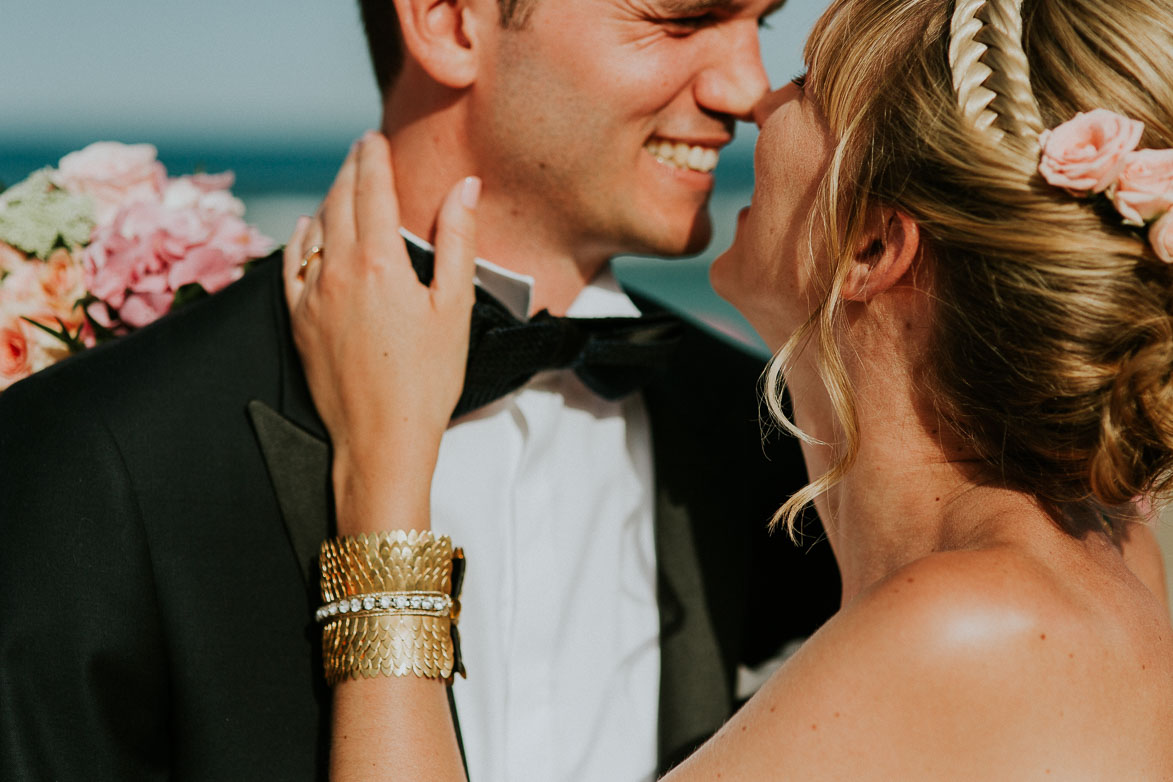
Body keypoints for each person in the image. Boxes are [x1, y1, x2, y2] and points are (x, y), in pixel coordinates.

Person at [284, 0, 1173, 778]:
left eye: (806, 82)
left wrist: (383, 486)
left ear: (869, 246)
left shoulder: (971, 625)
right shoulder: (1102, 547)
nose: (755, 97)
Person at [0, 0, 840, 779]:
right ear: (446, 21)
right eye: (680, 18)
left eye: (755, 25)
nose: (745, 89)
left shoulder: (781, 444)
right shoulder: (95, 452)